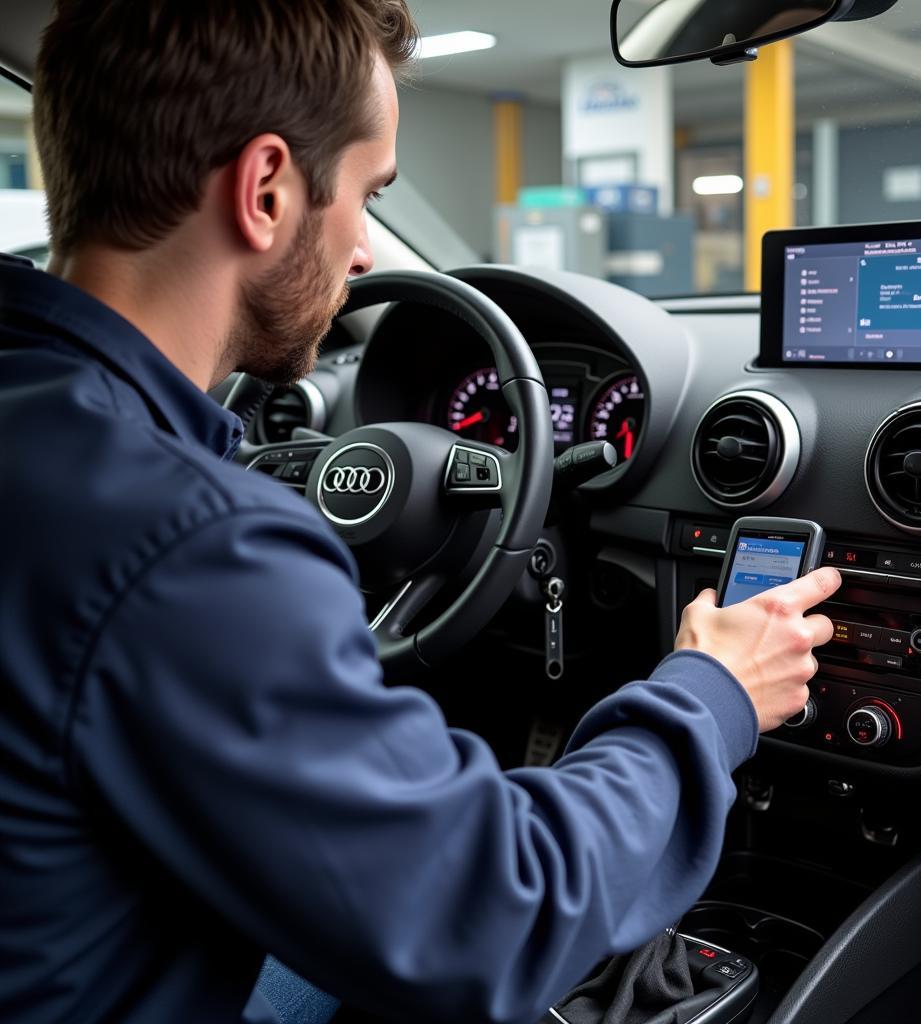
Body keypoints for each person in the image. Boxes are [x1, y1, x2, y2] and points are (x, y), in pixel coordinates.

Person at [0, 2, 840, 1022]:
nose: (363, 252)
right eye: (368, 194)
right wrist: (711, 692)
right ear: (265, 190)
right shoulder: (189, 542)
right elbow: (499, 913)